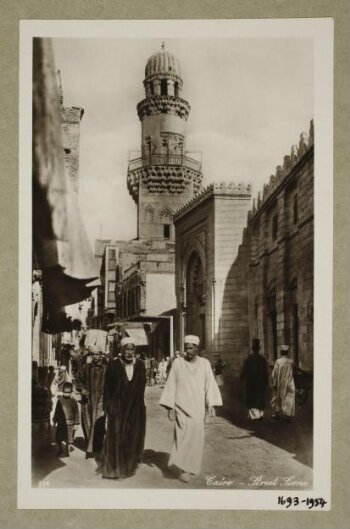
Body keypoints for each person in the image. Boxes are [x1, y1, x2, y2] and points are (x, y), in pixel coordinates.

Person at [159, 335, 222, 483]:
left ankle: (188, 466)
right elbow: (171, 384)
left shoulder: (205, 364)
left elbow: (210, 385)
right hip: (181, 406)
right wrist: (170, 407)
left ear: (197, 348)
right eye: (186, 348)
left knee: (196, 438)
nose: (187, 351)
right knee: (181, 437)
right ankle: (181, 469)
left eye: (190, 348)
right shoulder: (177, 363)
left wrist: (211, 405)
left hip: (198, 408)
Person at [102, 337, 146, 479]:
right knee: (116, 436)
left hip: (135, 407)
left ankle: (128, 467)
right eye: (126, 349)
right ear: (121, 350)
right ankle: (115, 469)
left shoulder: (140, 365)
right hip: (117, 407)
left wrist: (140, 406)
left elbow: (141, 386)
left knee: (131, 436)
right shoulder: (113, 364)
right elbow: (107, 387)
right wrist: (109, 406)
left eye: (132, 349)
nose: (129, 352)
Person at [80, 345, 107, 459]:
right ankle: (90, 446)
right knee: (87, 422)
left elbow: (111, 383)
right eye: (93, 354)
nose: (95, 357)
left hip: (101, 400)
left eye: (97, 354)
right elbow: (78, 380)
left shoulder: (106, 368)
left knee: (98, 423)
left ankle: (96, 447)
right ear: (90, 356)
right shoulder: (85, 367)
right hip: (87, 400)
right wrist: (83, 389)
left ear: (101, 355)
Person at [240, 338, 269, 420]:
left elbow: (243, 371)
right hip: (260, 383)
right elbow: (265, 372)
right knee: (260, 397)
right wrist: (266, 382)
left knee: (251, 398)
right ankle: (260, 414)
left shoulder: (248, 359)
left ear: (252, 349)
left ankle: (252, 415)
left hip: (250, 383)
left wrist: (241, 379)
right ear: (259, 348)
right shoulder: (262, 359)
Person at [53, 382, 80, 457]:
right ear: (62, 391)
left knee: (69, 439)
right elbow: (57, 410)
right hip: (61, 423)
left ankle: (67, 451)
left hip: (70, 424)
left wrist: (76, 423)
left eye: (68, 393)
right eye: (65, 392)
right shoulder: (60, 400)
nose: (66, 394)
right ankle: (60, 450)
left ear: (71, 392)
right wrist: (55, 420)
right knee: (58, 438)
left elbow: (76, 413)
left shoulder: (73, 401)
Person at [271, 345, 296, 421]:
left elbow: (274, 374)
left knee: (278, 397)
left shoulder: (278, 362)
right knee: (289, 398)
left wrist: (274, 383)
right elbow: (294, 372)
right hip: (289, 382)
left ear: (281, 352)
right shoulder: (291, 362)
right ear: (287, 353)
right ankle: (288, 415)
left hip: (280, 383)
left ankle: (276, 414)